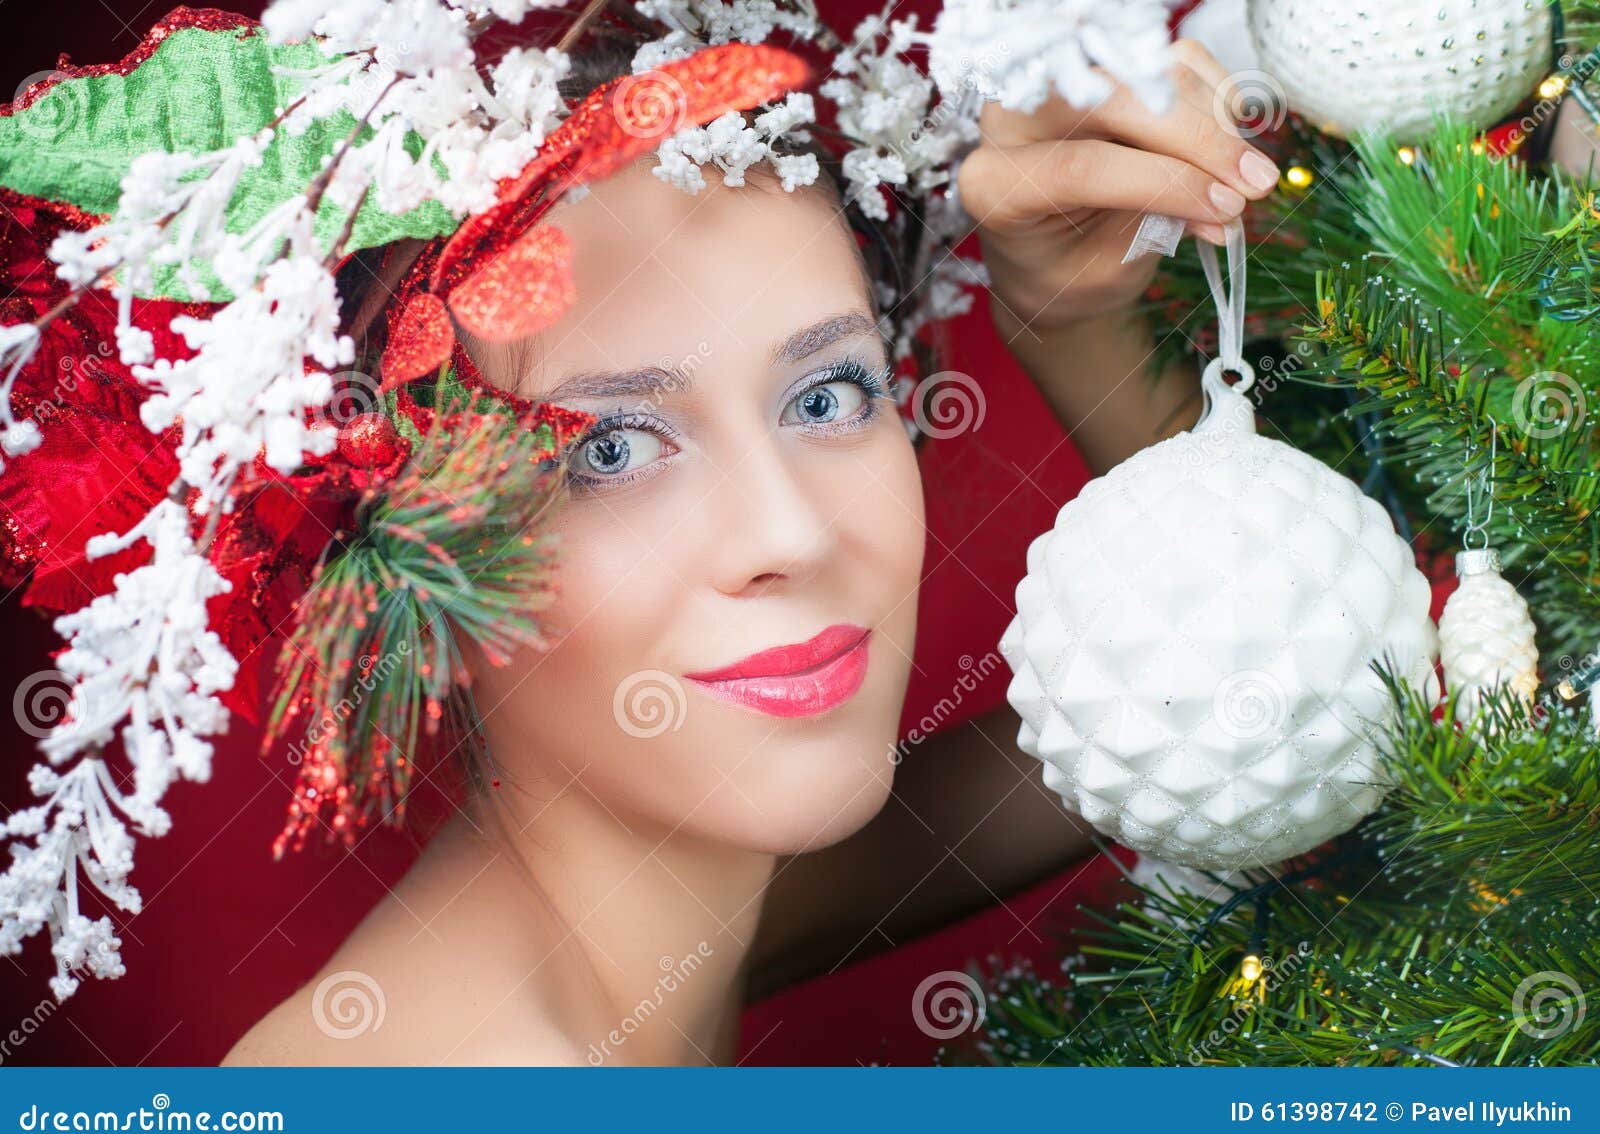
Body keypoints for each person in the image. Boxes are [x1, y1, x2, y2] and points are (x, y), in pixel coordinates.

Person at [222, 32, 1278, 1065]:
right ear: (406, 564)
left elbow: (1243, 686)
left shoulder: (687, 905)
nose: (788, 530)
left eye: (826, 395)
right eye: (610, 450)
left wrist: (1070, 318)